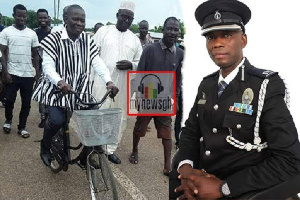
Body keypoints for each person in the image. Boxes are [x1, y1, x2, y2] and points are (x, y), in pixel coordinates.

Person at [171, 0, 300, 199]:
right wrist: (186, 167)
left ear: (244, 40)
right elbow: (190, 131)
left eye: (227, 35)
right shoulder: (206, 85)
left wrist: (224, 188)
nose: (217, 43)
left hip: (242, 189)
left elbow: (290, 160)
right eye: (211, 37)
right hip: (200, 181)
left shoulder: (265, 86)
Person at [31, 4, 119, 166]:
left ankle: (86, 156)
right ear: (66, 19)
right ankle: (45, 147)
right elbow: (48, 66)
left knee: (92, 119)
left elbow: (96, 61)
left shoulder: (87, 39)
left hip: (79, 89)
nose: (80, 23)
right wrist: (59, 81)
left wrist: (108, 81)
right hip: (56, 89)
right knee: (57, 120)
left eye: (82, 20)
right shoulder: (54, 38)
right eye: (76, 19)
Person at [129, 17, 184, 176]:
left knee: (167, 133)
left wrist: (176, 98)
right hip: (148, 97)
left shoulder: (180, 54)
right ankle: (134, 151)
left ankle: (168, 165)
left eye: (175, 29)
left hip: (165, 100)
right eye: (169, 29)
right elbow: (140, 73)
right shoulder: (150, 49)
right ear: (163, 30)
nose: (172, 32)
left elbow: (178, 79)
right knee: (140, 128)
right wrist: (138, 97)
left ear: (178, 32)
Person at [92, 1, 143, 164]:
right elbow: (92, 55)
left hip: (123, 86)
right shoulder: (103, 32)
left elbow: (140, 62)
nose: (126, 21)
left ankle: (110, 149)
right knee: (98, 114)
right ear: (117, 16)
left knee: (118, 118)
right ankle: (93, 147)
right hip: (101, 84)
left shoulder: (134, 39)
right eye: (124, 17)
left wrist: (131, 65)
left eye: (130, 18)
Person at [0, 4, 40, 138]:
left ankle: (22, 127)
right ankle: (8, 120)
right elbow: (2, 53)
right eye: (19, 15)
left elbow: (35, 54)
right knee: (9, 100)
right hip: (12, 73)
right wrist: (5, 72)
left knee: (26, 103)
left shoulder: (32, 34)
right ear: (14, 15)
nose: (21, 18)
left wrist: (37, 72)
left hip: (28, 74)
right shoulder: (6, 32)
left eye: (24, 16)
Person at [34, 8, 51, 128]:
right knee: (42, 92)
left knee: (52, 91)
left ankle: (51, 115)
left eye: (45, 17)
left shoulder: (54, 32)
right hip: (39, 66)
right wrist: (36, 70)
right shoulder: (34, 33)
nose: (43, 20)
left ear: (48, 18)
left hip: (53, 67)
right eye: (40, 18)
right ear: (37, 19)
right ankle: (43, 117)